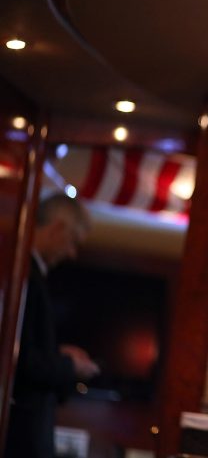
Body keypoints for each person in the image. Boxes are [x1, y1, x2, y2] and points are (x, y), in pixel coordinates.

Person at [5, 193, 100, 458]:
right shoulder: (25, 276)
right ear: (57, 228)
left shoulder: (27, 272)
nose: (71, 254)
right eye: (72, 242)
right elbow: (17, 358)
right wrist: (70, 366)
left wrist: (59, 355)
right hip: (19, 435)